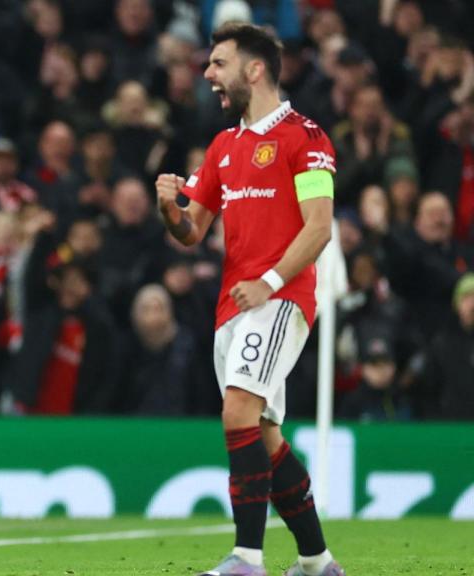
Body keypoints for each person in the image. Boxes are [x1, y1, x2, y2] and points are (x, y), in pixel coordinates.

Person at [155, 23, 344, 576]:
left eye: (218, 63)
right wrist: (171, 210)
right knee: (263, 433)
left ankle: (246, 559)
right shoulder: (223, 146)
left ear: (254, 69)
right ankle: (317, 563)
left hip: (281, 300)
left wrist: (270, 282)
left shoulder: (306, 138)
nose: (208, 74)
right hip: (233, 305)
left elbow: (320, 228)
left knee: (237, 409)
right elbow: (194, 230)